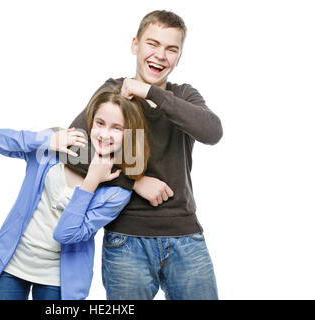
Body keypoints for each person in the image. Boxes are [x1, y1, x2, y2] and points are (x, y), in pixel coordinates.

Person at [67, 10, 223, 300]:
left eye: (171, 49)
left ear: (179, 56)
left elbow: (212, 132)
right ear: (135, 45)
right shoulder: (114, 92)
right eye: (153, 44)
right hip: (127, 239)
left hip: (185, 236)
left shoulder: (184, 95)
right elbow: (72, 149)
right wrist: (133, 181)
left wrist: (151, 92)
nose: (161, 55)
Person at [0, 85, 149, 300]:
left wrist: (91, 182)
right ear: (90, 121)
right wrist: (47, 140)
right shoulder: (54, 146)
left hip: (59, 280)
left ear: (130, 134)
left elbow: (65, 234)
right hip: (11, 265)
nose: (105, 134)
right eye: (100, 123)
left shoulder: (117, 191)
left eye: (117, 128)